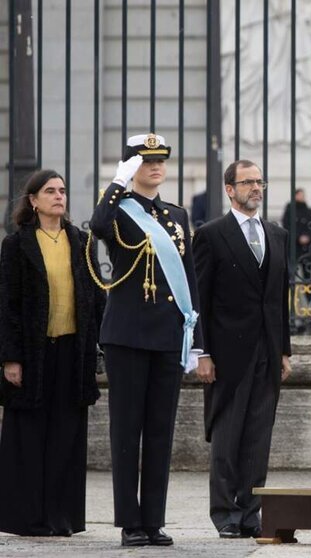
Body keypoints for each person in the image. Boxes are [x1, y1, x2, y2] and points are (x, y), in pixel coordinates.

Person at [89, 133, 204, 547]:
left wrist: (197, 342)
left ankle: (153, 520)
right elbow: (98, 226)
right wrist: (117, 184)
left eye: (160, 161)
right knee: (127, 430)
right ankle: (129, 522)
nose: (155, 167)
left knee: (160, 431)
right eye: (145, 161)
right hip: (127, 335)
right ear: (131, 167)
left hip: (167, 335)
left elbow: (189, 279)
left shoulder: (176, 215)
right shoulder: (118, 210)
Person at [0, 170, 104, 536]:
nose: (58, 196)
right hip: (33, 354)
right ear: (33, 200)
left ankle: (64, 518)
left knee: (66, 436)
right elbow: (7, 304)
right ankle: (28, 518)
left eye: (62, 190)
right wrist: (10, 358)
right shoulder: (16, 245)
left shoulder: (81, 241)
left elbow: (95, 297)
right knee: (29, 436)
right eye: (50, 191)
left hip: (72, 352)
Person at [192, 160, 292, 539]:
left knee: (257, 437)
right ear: (229, 189)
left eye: (259, 181)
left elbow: (279, 300)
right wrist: (201, 352)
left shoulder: (277, 234)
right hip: (226, 354)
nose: (256, 188)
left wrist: (284, 350)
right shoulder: (211, 235)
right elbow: (200, 298)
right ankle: (225, 513)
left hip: (267, 353)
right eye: (247, 182)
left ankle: (251, 512)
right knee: (227, 437)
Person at [281, 188, 311, 271]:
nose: (302, 197)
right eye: (299, 195)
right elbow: (286, 226)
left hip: (307, 247)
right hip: (294, 246)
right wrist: (298, 237)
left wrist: (308, 236)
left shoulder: (309, 211)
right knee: (291, 273)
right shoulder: (289, 210)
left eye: (303, 195)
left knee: (307, 274)